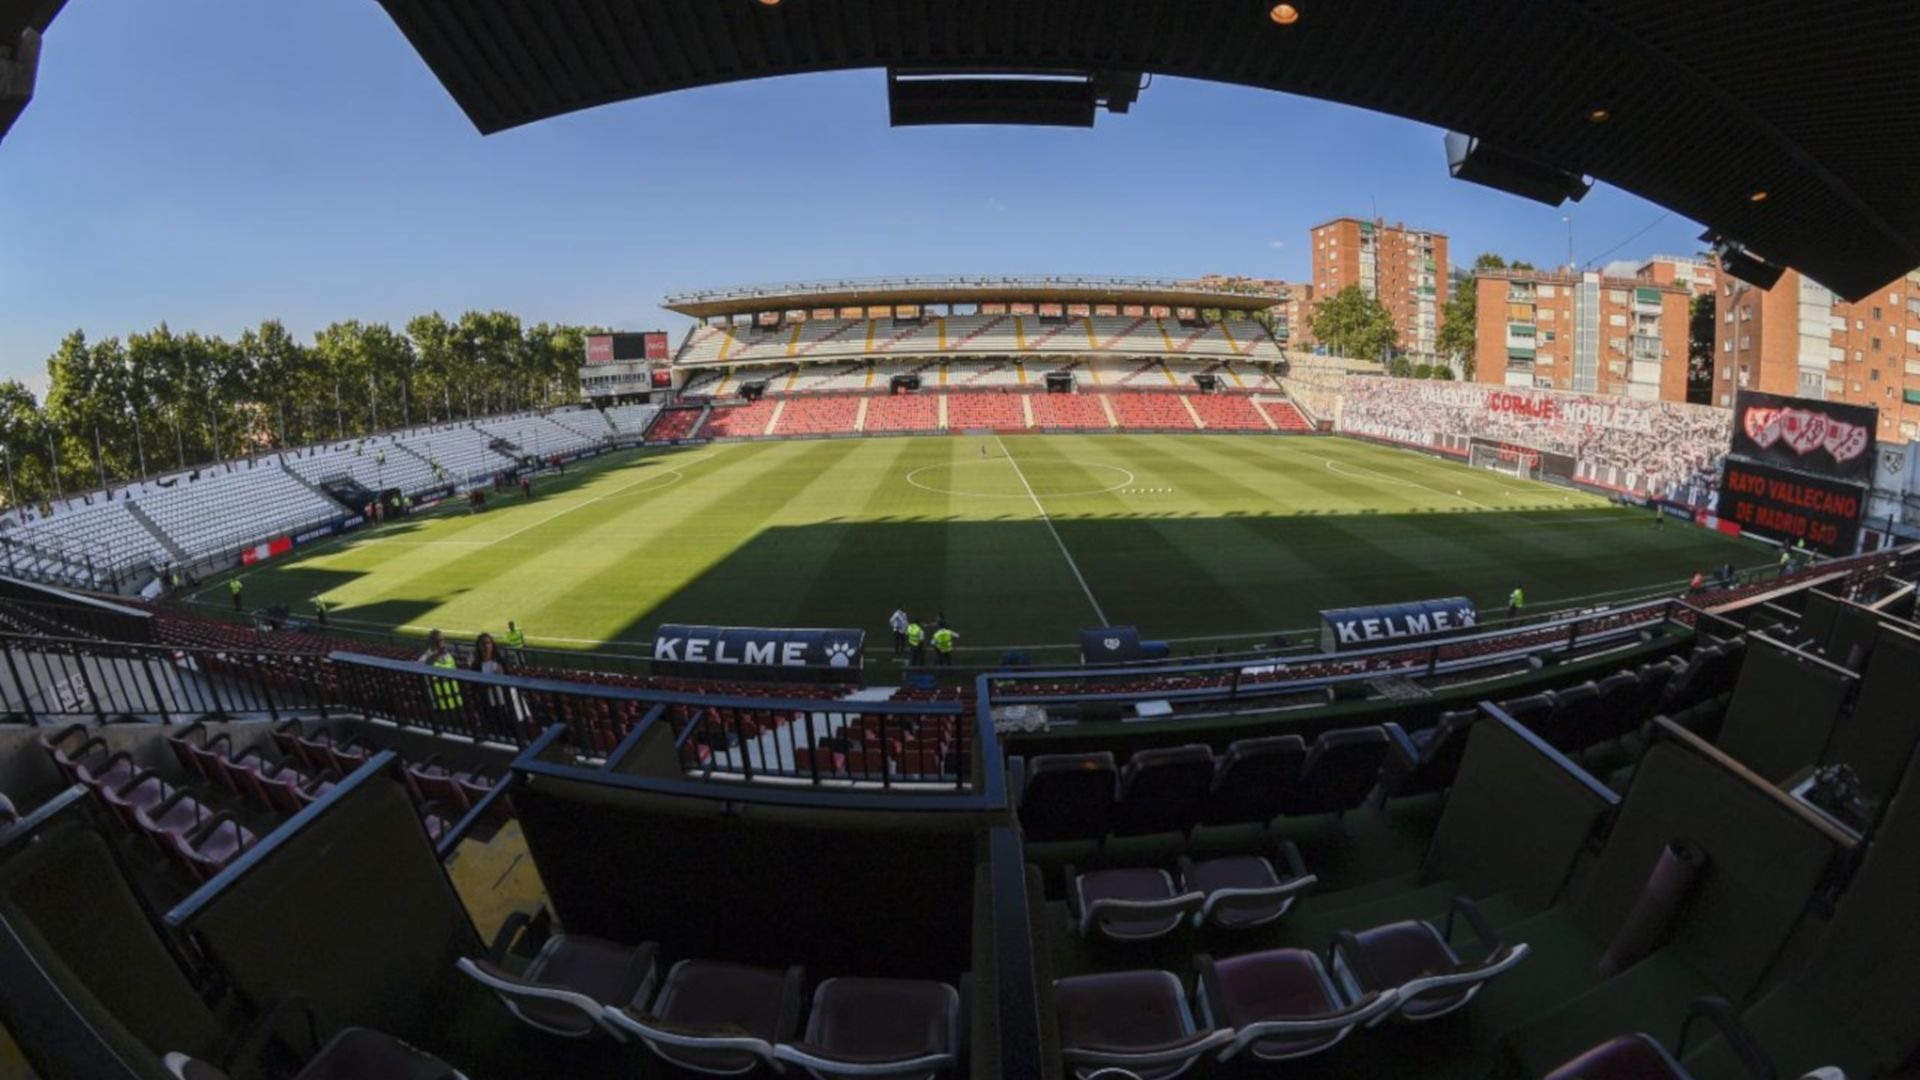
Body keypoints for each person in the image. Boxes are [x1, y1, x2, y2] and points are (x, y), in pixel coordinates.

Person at [419, 629, 463, 713]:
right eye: (437, 641)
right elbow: (425, 665)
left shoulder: (448, 656)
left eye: (442, 640)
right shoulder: (424, 659)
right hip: (440, 706)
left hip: (457, 701)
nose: (440, 643)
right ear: (430, 642)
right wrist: (437, 653)